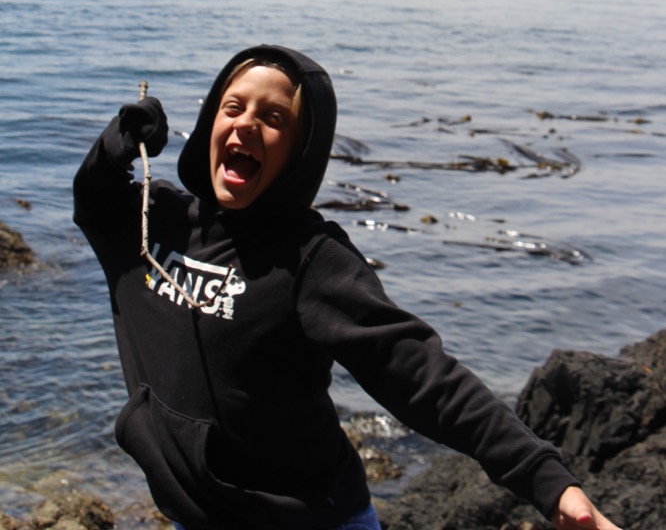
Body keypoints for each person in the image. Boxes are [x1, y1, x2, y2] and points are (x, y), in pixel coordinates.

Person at [73, 44, 623, 530]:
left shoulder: (312, 260)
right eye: (233, 107)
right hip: (196, 516)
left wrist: (548, 483)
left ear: (301, 150)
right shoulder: (154, 222)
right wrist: (118, 141)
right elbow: (93, 202)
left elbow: (421, 374)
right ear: (210, 121)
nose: (246, 124)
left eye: (273, 117)